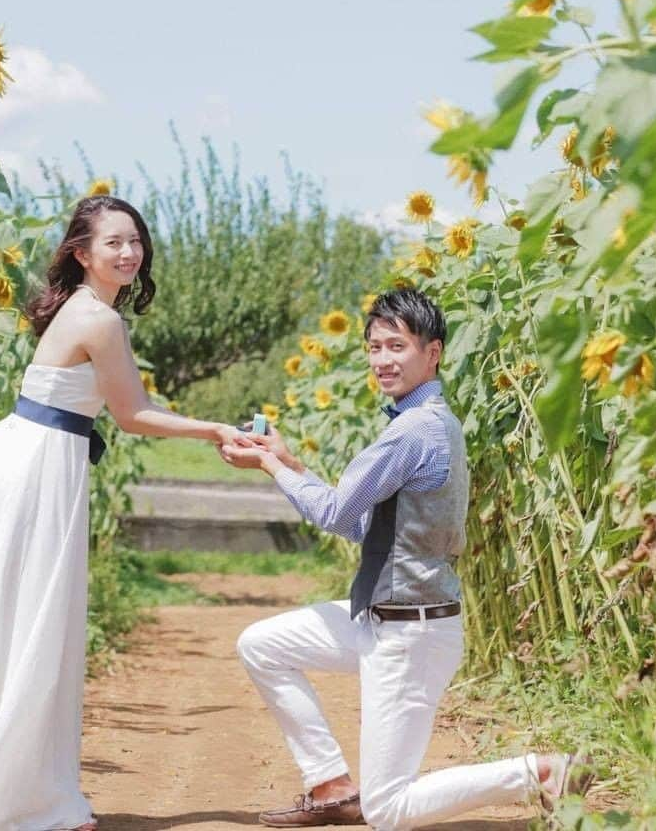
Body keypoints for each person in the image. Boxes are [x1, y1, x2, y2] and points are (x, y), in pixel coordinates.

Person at [0, 195, 246, 831]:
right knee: (31, 624)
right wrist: (214, 428)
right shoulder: (100, 321)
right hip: (38, 466)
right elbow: (131, 415)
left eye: (135, 241)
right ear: (81, 253)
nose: (129, 252)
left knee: (5, 620)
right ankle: (16, 797)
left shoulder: (86, 311)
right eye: (113, 242)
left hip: (27, 457)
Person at [220, 288, 593, 828]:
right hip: (383, 618)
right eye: (374, 347)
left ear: (433, 352)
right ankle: (330, 784)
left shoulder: (412, 431)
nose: (382, 360)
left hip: (410, 633)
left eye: (397, 346)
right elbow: (356, 522)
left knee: (389, 810)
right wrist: (288, 460)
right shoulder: (425, 422)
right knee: (262, 644)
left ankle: (539, 773)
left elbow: (330, 515)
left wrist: (272, 468)